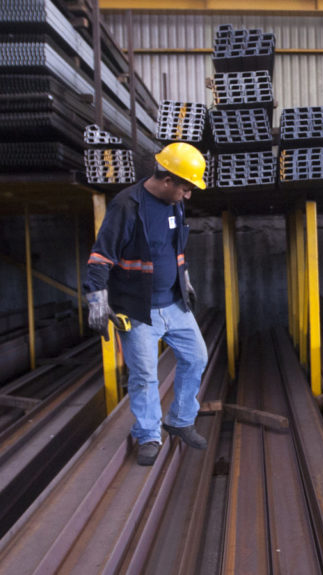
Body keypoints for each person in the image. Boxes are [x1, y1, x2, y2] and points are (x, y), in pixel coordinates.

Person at [84, 142, 210, 466]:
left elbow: (173, 248)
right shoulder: (127, 205)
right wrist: (97, 298)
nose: (188, 195)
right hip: (138, 311)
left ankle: (180, 420)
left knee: (196, 357)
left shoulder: (175, 204)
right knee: (144, 376)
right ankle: (148, 435)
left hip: (174, 304)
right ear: (167, 180)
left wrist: (185, 279)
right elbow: (101, 255)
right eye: (185, 187)